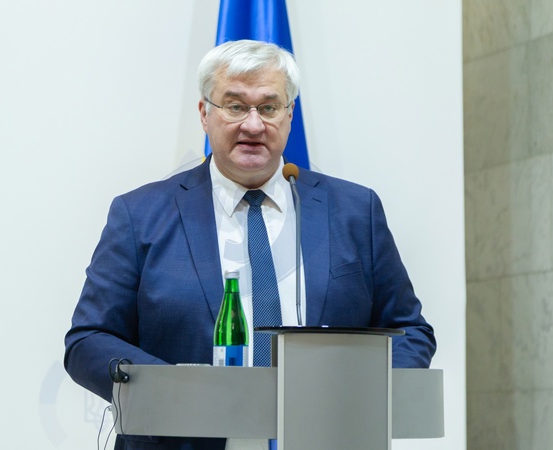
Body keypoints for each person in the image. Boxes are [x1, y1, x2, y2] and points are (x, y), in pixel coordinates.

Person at [64, 39, 436, 450]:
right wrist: (174, 390)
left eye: (269, 107)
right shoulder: (140, 214)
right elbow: (88, 340)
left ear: (289, 115)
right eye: (235, 106)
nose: (254, 125)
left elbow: (410, 331)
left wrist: (363, 397)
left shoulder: (354, 210)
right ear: (204, 113)